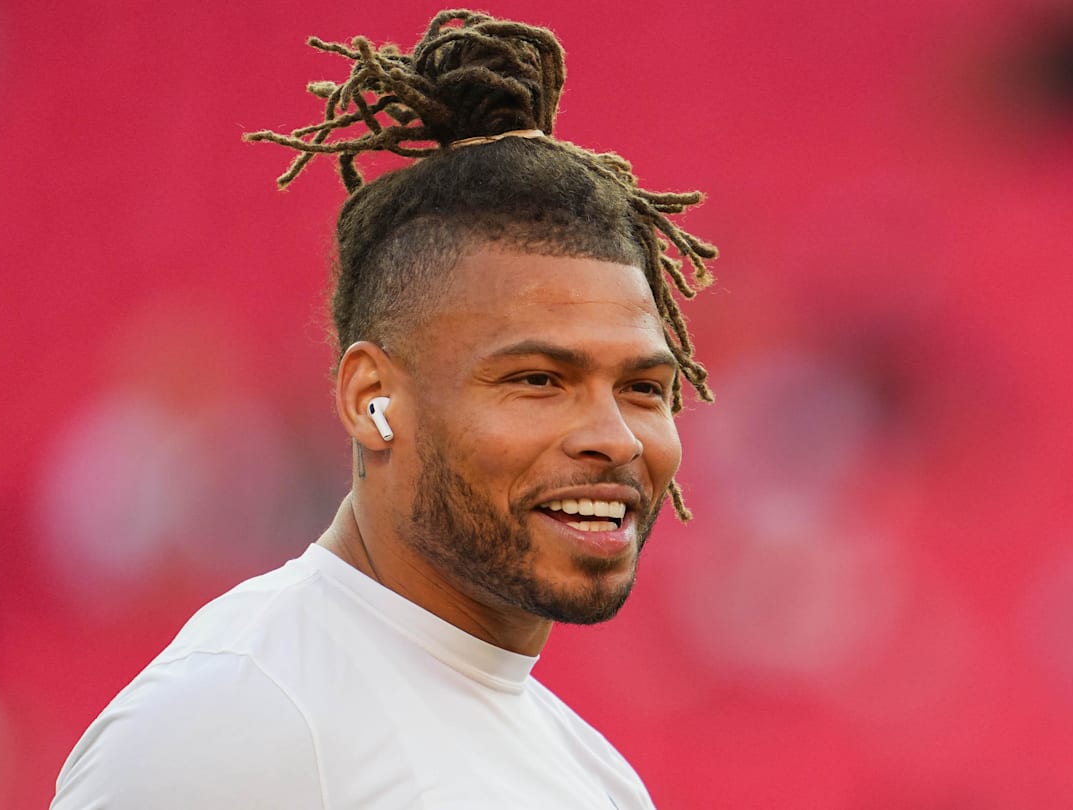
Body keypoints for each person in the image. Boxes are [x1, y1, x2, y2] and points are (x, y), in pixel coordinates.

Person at [51, 10, 716, 808]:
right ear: (373, 401)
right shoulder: (238, 724)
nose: (614, 438)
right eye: (538, 380)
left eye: (643, 389)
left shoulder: (595, 778)